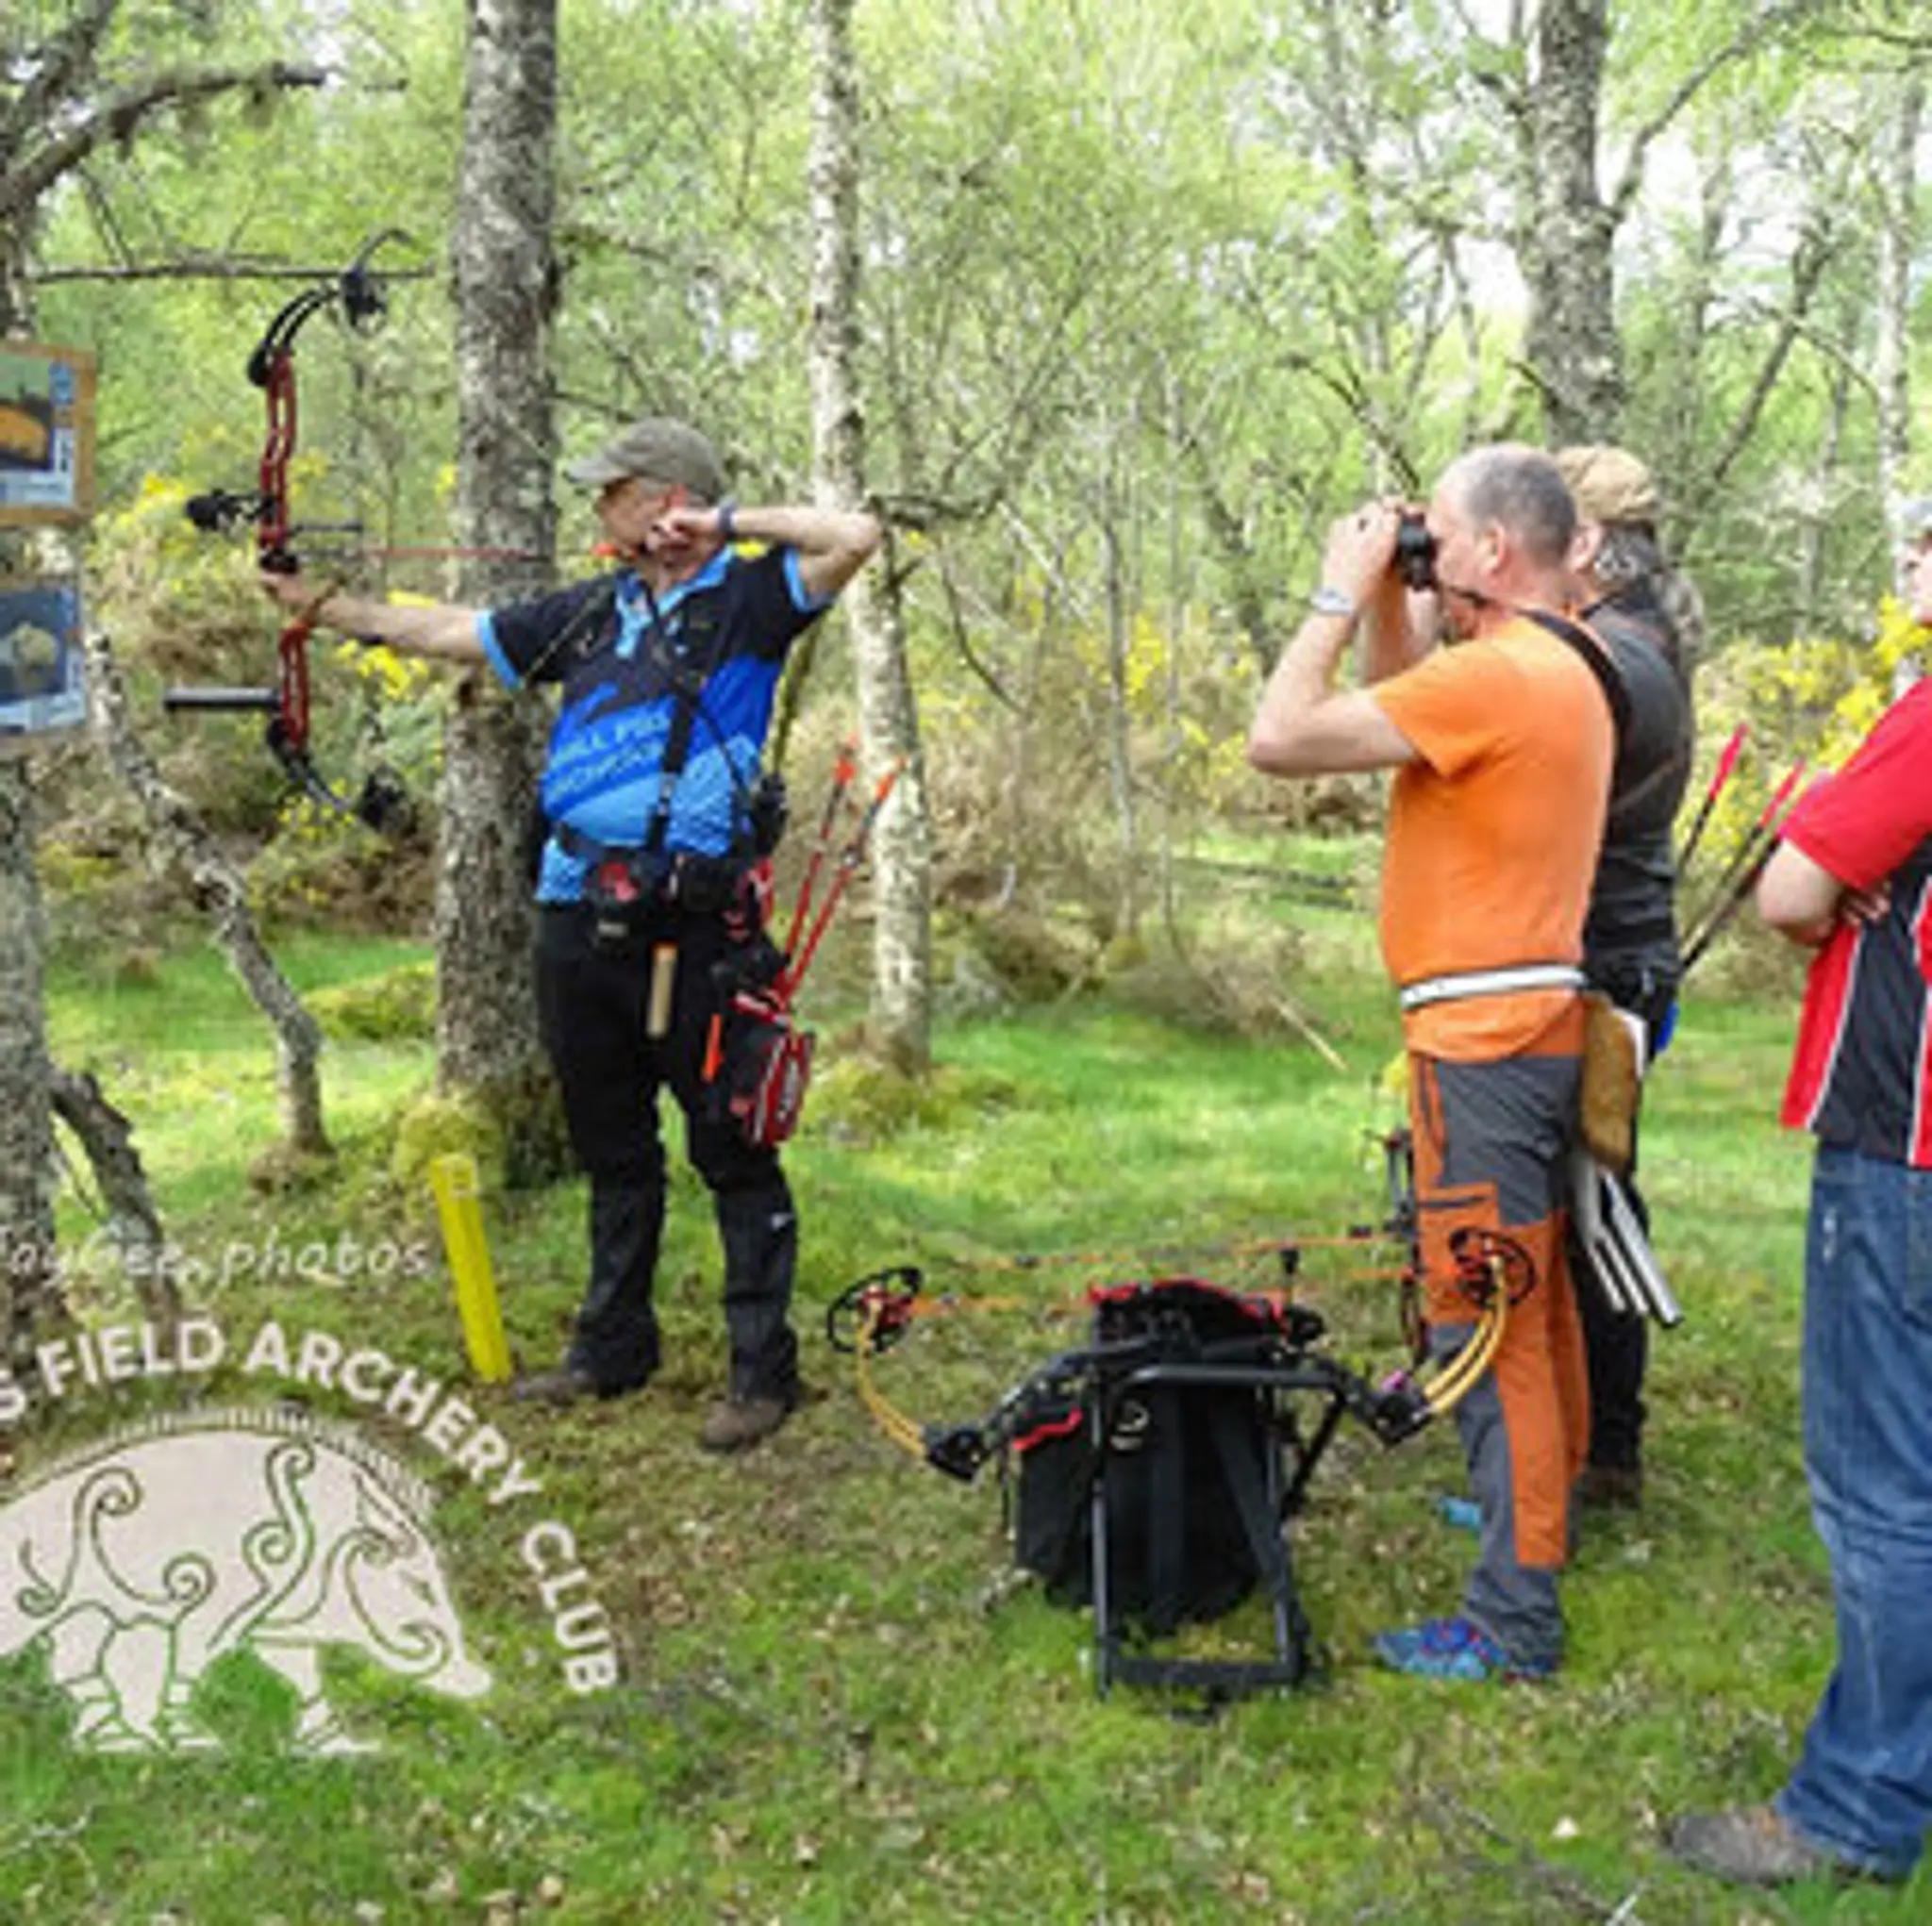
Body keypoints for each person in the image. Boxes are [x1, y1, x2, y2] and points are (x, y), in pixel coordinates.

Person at [263, 415, 882, 1452]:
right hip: (574, 911)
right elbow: (455, 633)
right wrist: (324, 609)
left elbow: (853, 535)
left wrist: (721, 522)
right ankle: (612, 1347)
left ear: (664, 500)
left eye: (615, 491)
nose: (597, 509)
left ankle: (759, 1371)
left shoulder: (748, 599)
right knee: (612, 1143)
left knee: (730, 1144)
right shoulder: (592, 611)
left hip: (693, 926)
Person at [1247, 444, 1613, 1681]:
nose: (1426, 553)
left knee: (1485, 1308)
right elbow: (1405, 700)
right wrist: (1401, 597)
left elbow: (1282, 736)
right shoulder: (1546, 665)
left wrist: (1338, 587)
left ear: (1497, 553)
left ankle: (1514, 1618)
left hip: (1483, 1044)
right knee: (1536, 1296)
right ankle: (1534, 1516)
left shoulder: (1505, 676)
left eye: (1441, 538)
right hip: (1530, 1025)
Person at [1670, 498, 1932, 1886]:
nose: (1911, 561)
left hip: (1907, 1154)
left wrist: (1830, 869)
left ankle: (1858, 1809)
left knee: (1885, 1489)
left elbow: (1791, 887)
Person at [1553, 445, 1696, 1508]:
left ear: (1589, 545)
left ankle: (1607, 1447)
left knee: (1595, 1200)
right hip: (1609, 951)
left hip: (1606, 962)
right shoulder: (1622, 637)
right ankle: (1587, 1437)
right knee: (1580, 1198)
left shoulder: (1618, 659)